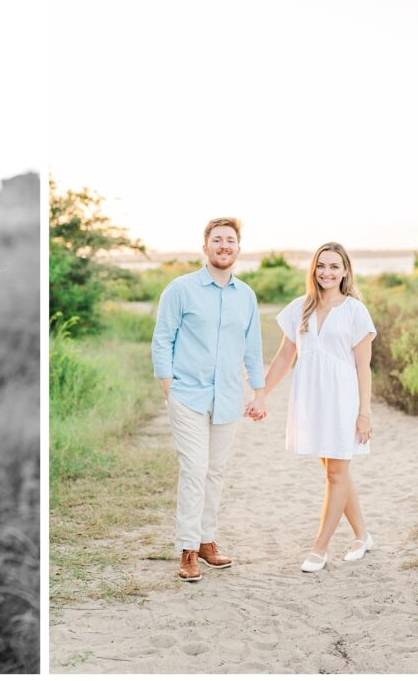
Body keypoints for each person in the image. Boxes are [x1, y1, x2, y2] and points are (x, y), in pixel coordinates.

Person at [151, 217, 266, 582]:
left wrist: (258, 391)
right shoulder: (180, 289)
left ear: (238, 248)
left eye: (230, 240)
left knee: (215, 472)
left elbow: (252, 348)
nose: (224, 246)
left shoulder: (246, 295)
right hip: (187, 395)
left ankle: (206, 541)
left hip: (228, 397)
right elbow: (162, 338)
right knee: (195, 469)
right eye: (217, 240)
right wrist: (168, 383)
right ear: (205, 247)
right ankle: (187, 549)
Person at [254, 242, 376, 572]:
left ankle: (319, 549)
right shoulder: (300, 308)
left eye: (335, 266)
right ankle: (363, 536)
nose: (327, 272)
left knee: (336, 473)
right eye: (321, 266)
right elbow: (283, 358)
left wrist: (364, 413)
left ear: (346, 271)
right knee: (335, 471)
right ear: (313, 269)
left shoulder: (355, 311)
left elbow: (363, 367)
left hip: (342, 401)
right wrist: (262, 393)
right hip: (311, 397)